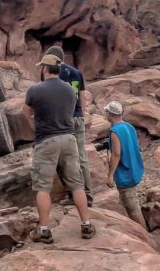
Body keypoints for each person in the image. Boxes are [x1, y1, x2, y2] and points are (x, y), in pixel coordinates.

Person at [23, 54, 96, 243]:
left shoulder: (34, 90)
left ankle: (45, 230)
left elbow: (26, 114)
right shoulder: (70, 90)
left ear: (44, 69)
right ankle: (86, 224)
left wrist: (36, 129)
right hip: (69, 138)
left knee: (43, 187)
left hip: (46, 141)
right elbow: (73, 111)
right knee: (76, 183)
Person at [43, 46, 94, 206]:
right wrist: (83, 114)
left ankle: (73, 195)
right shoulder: (76, 73)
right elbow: (82, 96)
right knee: (81, 157)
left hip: (63, 120)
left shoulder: (54, 74)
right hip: (78, 117)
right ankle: (88, 195)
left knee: (65, 160)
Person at [104, 101, 147, 229]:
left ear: (109, 114)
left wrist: (110, 175)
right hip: (134, 169)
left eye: (106, 112)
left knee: (132, 207)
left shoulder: (114, 131)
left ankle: (144, 236)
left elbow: (116, 154)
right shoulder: (129, 126)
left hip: (125, 174)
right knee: (129, 202)